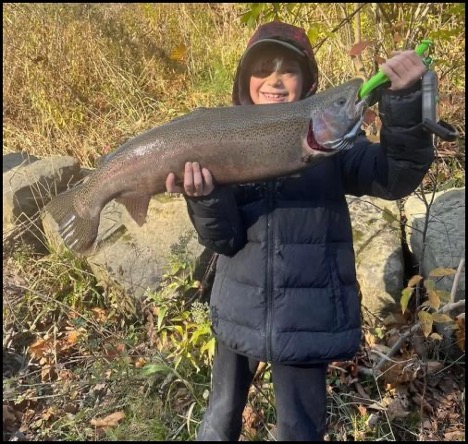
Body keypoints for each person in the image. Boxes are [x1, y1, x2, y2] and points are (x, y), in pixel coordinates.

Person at [165, 21, 433, 441]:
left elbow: (395, 177)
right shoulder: (220, 141)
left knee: (300, 432)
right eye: (262, 69)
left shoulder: (338, 148)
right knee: (218, 421)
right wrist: (205, 196)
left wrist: (405, 106)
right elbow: (223, 240)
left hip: (308, 319)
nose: (273, 79)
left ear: (307, 83)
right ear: (243, 81)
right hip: (239, 307)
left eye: (287, 70)